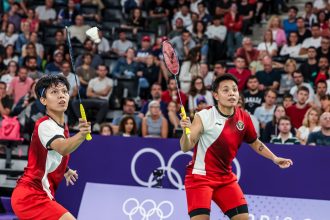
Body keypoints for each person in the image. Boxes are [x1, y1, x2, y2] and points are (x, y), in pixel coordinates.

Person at [179, 74, 293, 220]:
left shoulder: (244, 118)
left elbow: (255, 143)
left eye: (234, 89)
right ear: (216, 95)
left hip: (225, 178)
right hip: (200, 178)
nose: (232, 93)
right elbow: (185, 147)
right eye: (225, 90)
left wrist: (274, 158)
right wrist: (185, 131)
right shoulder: (204, 116)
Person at [11, 74, 91, 220]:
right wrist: (81, 135)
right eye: (54, 92)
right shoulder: (44, 125)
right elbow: (62, 148)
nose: (61, 95)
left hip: (42, 194)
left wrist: (65, 169)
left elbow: (51, 153)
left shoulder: (62, 127)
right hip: (30, 195)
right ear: (43, 100)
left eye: (64, 91)